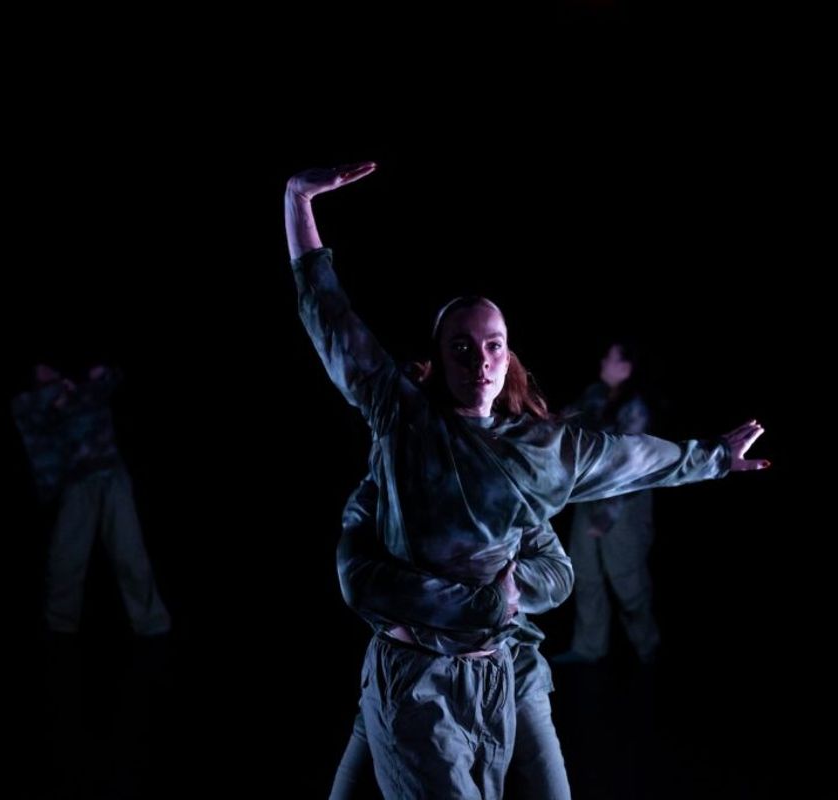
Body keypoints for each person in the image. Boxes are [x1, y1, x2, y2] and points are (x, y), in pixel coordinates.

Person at [286, 161, 768, 799]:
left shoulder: (539, 450)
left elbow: (628, 458)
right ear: (438, 357)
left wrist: (713, 458)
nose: (479, 361)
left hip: (496, 668)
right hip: (415, 675)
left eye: (493, 346)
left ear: (507, 355)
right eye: (460, 347)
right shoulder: (405, 421)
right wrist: (298, 205)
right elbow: (331, 319)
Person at [330, 474, 574, 799]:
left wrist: (507, 586)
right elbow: (360, 581)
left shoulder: (501, 479)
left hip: (511, 663)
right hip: (417, 674)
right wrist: (489, 601)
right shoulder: (387, 484)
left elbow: (557, 571)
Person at [11, 363, 171, 637]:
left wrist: (95, 377)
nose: (46, 371)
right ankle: (60, 624)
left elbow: (112, 377)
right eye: (40, 370)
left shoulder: (85, 390)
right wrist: (55, 396)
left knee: (130, 553)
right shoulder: (39, 405)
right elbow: (22, 410)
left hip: (111, 477)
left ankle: (152, 623)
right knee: (65, 558)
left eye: (49, 368)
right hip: (77, 485)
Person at [553, 339, 663, 666]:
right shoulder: (595, 395)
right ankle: (589, 647)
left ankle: (648, 647)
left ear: (626, 369)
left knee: (627, 580)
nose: (603, 361)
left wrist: (606, 517)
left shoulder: (635, 410)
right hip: (590, 494)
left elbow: (631, 469)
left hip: (624, 504)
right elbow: (564, 419)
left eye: (611, 358)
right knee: (585, 573)